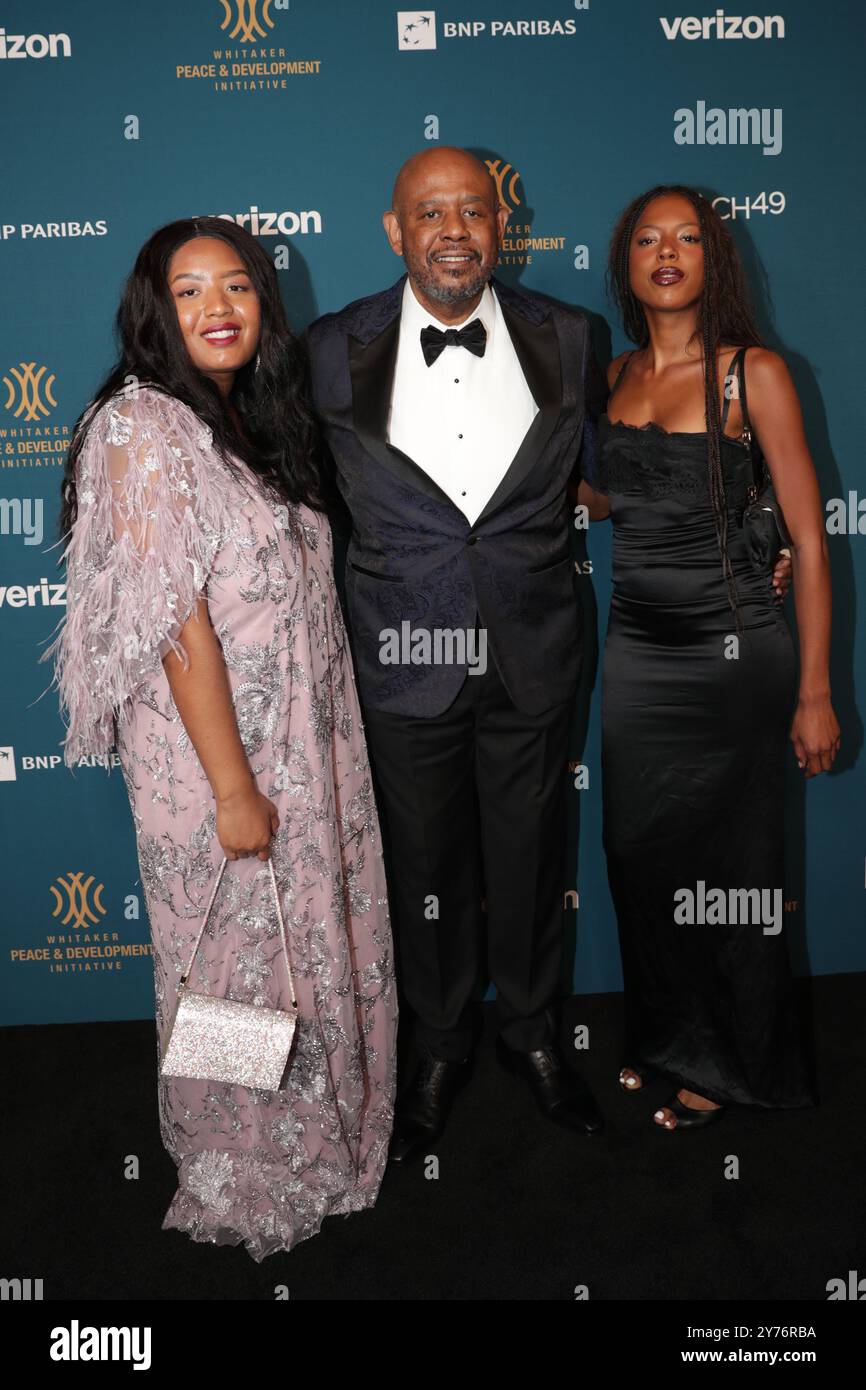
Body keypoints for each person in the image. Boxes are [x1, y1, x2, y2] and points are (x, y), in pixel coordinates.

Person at [42, 216, 397, 1257]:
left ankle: (306, 1137)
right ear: (155, 311)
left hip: (302, 749)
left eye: (235, 286)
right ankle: (245, 1161)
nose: (217, 308)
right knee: (235, 965)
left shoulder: (244, 424)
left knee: (288, 958)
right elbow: (175, 624)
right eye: (188, 290)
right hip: (218, 764)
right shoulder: (139, 426)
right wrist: (235, 787)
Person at [306, 146, 606, 1161]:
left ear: (500, 226)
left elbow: (614, 475)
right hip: (400, 661)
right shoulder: (326, 349)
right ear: (394, 231)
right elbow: (290, 500)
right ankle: (437, 1043)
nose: (452, 231)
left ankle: (531, 1033)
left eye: (472, 211)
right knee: (422, 866)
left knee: (530, 859)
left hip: (531, 651)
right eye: (428, 213)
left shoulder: (569, 335)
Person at [578, 185, 838, 1130]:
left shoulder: (751, 374)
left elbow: (808, 541)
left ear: (713, 260)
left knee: (731, 870)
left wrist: (813, 691)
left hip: (736, 656)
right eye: (647, 238)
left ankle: (732, 1063)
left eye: (689, 236)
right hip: (638, 651)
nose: (667, 251)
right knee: (641, 856)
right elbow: (611, 499)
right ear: (627, 264)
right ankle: (665, 1035)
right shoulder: (612, 378)